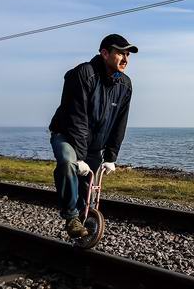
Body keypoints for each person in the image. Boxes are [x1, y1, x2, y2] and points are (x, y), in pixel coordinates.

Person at [49, 34, 138, 238]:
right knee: (67, 164)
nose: (125, 59)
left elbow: (120, 123)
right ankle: (71, 218)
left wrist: (111, 158)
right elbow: (76, 118)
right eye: (120, 53)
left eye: (128, 54)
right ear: (105, 53)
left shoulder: (125, 85)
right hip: (67, 135)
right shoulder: (84, 74)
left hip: (94, 145)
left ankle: (84, 221)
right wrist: (79, 157)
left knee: (87, 188)